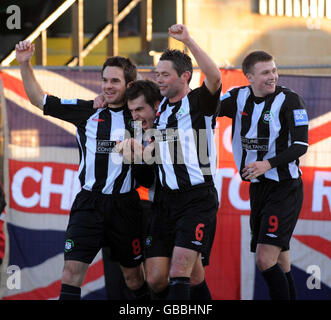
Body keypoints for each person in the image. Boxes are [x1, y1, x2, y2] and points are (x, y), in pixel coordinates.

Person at [15, 40, 151, 300]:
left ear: (129, 86)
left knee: (134, 278)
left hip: (126, 206)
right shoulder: (87, 110)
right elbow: (38, 100)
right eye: (105, 80)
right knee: (70, 273)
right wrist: (24, 62)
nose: (107, 86)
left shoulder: (140, 117)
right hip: (88, 204)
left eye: (115, 81)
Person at [216, 50, 309, 300]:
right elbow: (207, 106)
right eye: (265, 72)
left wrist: (267, 164)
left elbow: (301, 146)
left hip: (285, 189)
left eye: (274, 70)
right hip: (259, 189)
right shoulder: (238, 97)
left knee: (264, 259)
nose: (273, 77)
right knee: (281, 262)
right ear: (248, 77)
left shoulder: (291, 100)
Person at [143, 24, 221, 300]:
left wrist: (189, 41)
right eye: (157, 74)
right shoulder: (160, 108)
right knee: (155, 278)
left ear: (184, 76)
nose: (159, 80)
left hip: (196, 199)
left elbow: (214, 76)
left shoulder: (199, 103)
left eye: (165, 75)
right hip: (164, 202)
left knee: (179, 271)